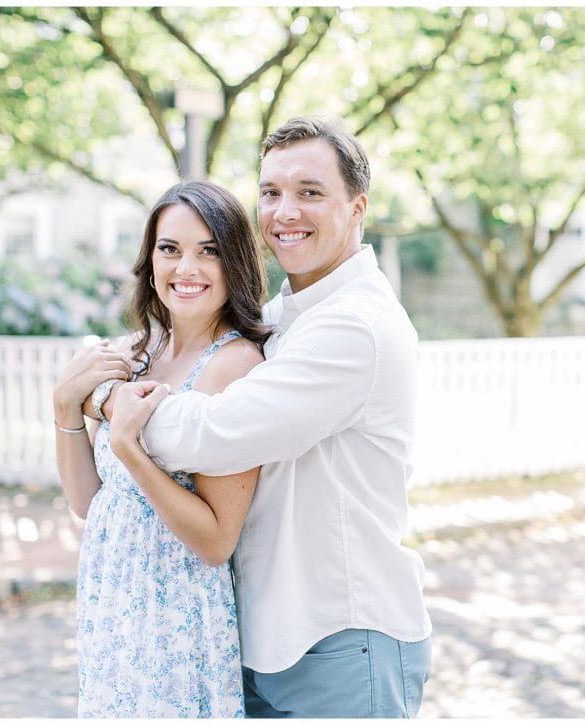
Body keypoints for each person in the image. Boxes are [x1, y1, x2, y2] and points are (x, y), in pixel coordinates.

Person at [104, 116, 433, 718]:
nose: (285, 212)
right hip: (265, 639)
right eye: (271, 193)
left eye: (310, 192)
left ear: (357, 207)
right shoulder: (285, 316)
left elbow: (217, 434)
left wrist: (112, 403)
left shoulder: (353, 326)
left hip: (340, 637)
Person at [52, 180, 269, 717]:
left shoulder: (235, 366)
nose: (186, 268)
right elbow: (90, 504)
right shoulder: (134, 353)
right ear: (150, 261)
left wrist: (129, 447)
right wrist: (64, 409)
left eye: (208, 251)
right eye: (169, 249)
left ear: (234, 263)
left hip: (175, 617)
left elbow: (217, 541)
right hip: (111, 601)